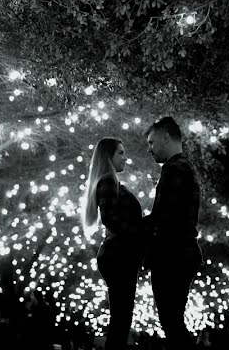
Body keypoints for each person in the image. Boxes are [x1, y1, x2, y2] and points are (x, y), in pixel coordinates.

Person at [144, 117, 202, 350]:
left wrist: (134, 229)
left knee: (171, 322)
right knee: (173, 321)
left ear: (166, 137)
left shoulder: (175, 169)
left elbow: (163, 217)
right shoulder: (183, 167)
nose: (149, 148)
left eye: (151, 142)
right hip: (181, 253)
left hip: (173, 255)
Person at [82, 137, 144, 350]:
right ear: (108, 157)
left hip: (119, 254)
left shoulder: (110, 182)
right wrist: (140, 231)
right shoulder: (108, 182)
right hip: (119, 255)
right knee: (121, 318)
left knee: (121, 317)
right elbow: (110, 218)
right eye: (121, 153)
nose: (126, 157)